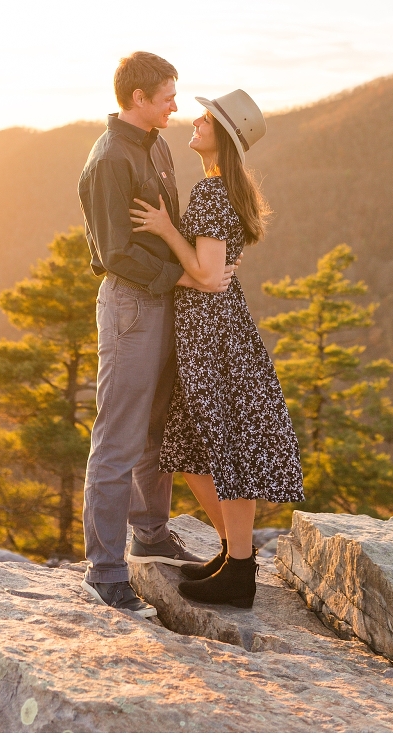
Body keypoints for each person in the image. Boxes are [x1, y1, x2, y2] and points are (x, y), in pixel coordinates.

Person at [77, 52, 239, 618]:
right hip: (131, 307)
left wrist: (206, 262)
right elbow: (113, 253)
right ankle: (104, 571)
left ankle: (149, 535)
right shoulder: (109, 159)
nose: (175, 104)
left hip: (166, 303)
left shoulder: (158, 145)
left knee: (155, 429)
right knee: (118, 436)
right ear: (138, 98)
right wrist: (187, 275)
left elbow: (169, 227)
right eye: (167, 96)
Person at [130, 88, 304, 609]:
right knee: (192, 447)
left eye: (206, 120)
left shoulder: (212, 192)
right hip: (215, 330)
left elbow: (207, 276)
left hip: (214, 335)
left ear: (223, 137)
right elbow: (214, 268)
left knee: (221, 446)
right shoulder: (225, 188)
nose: (195, 122)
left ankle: (241, 571)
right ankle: (235, 556)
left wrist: (166, 230)